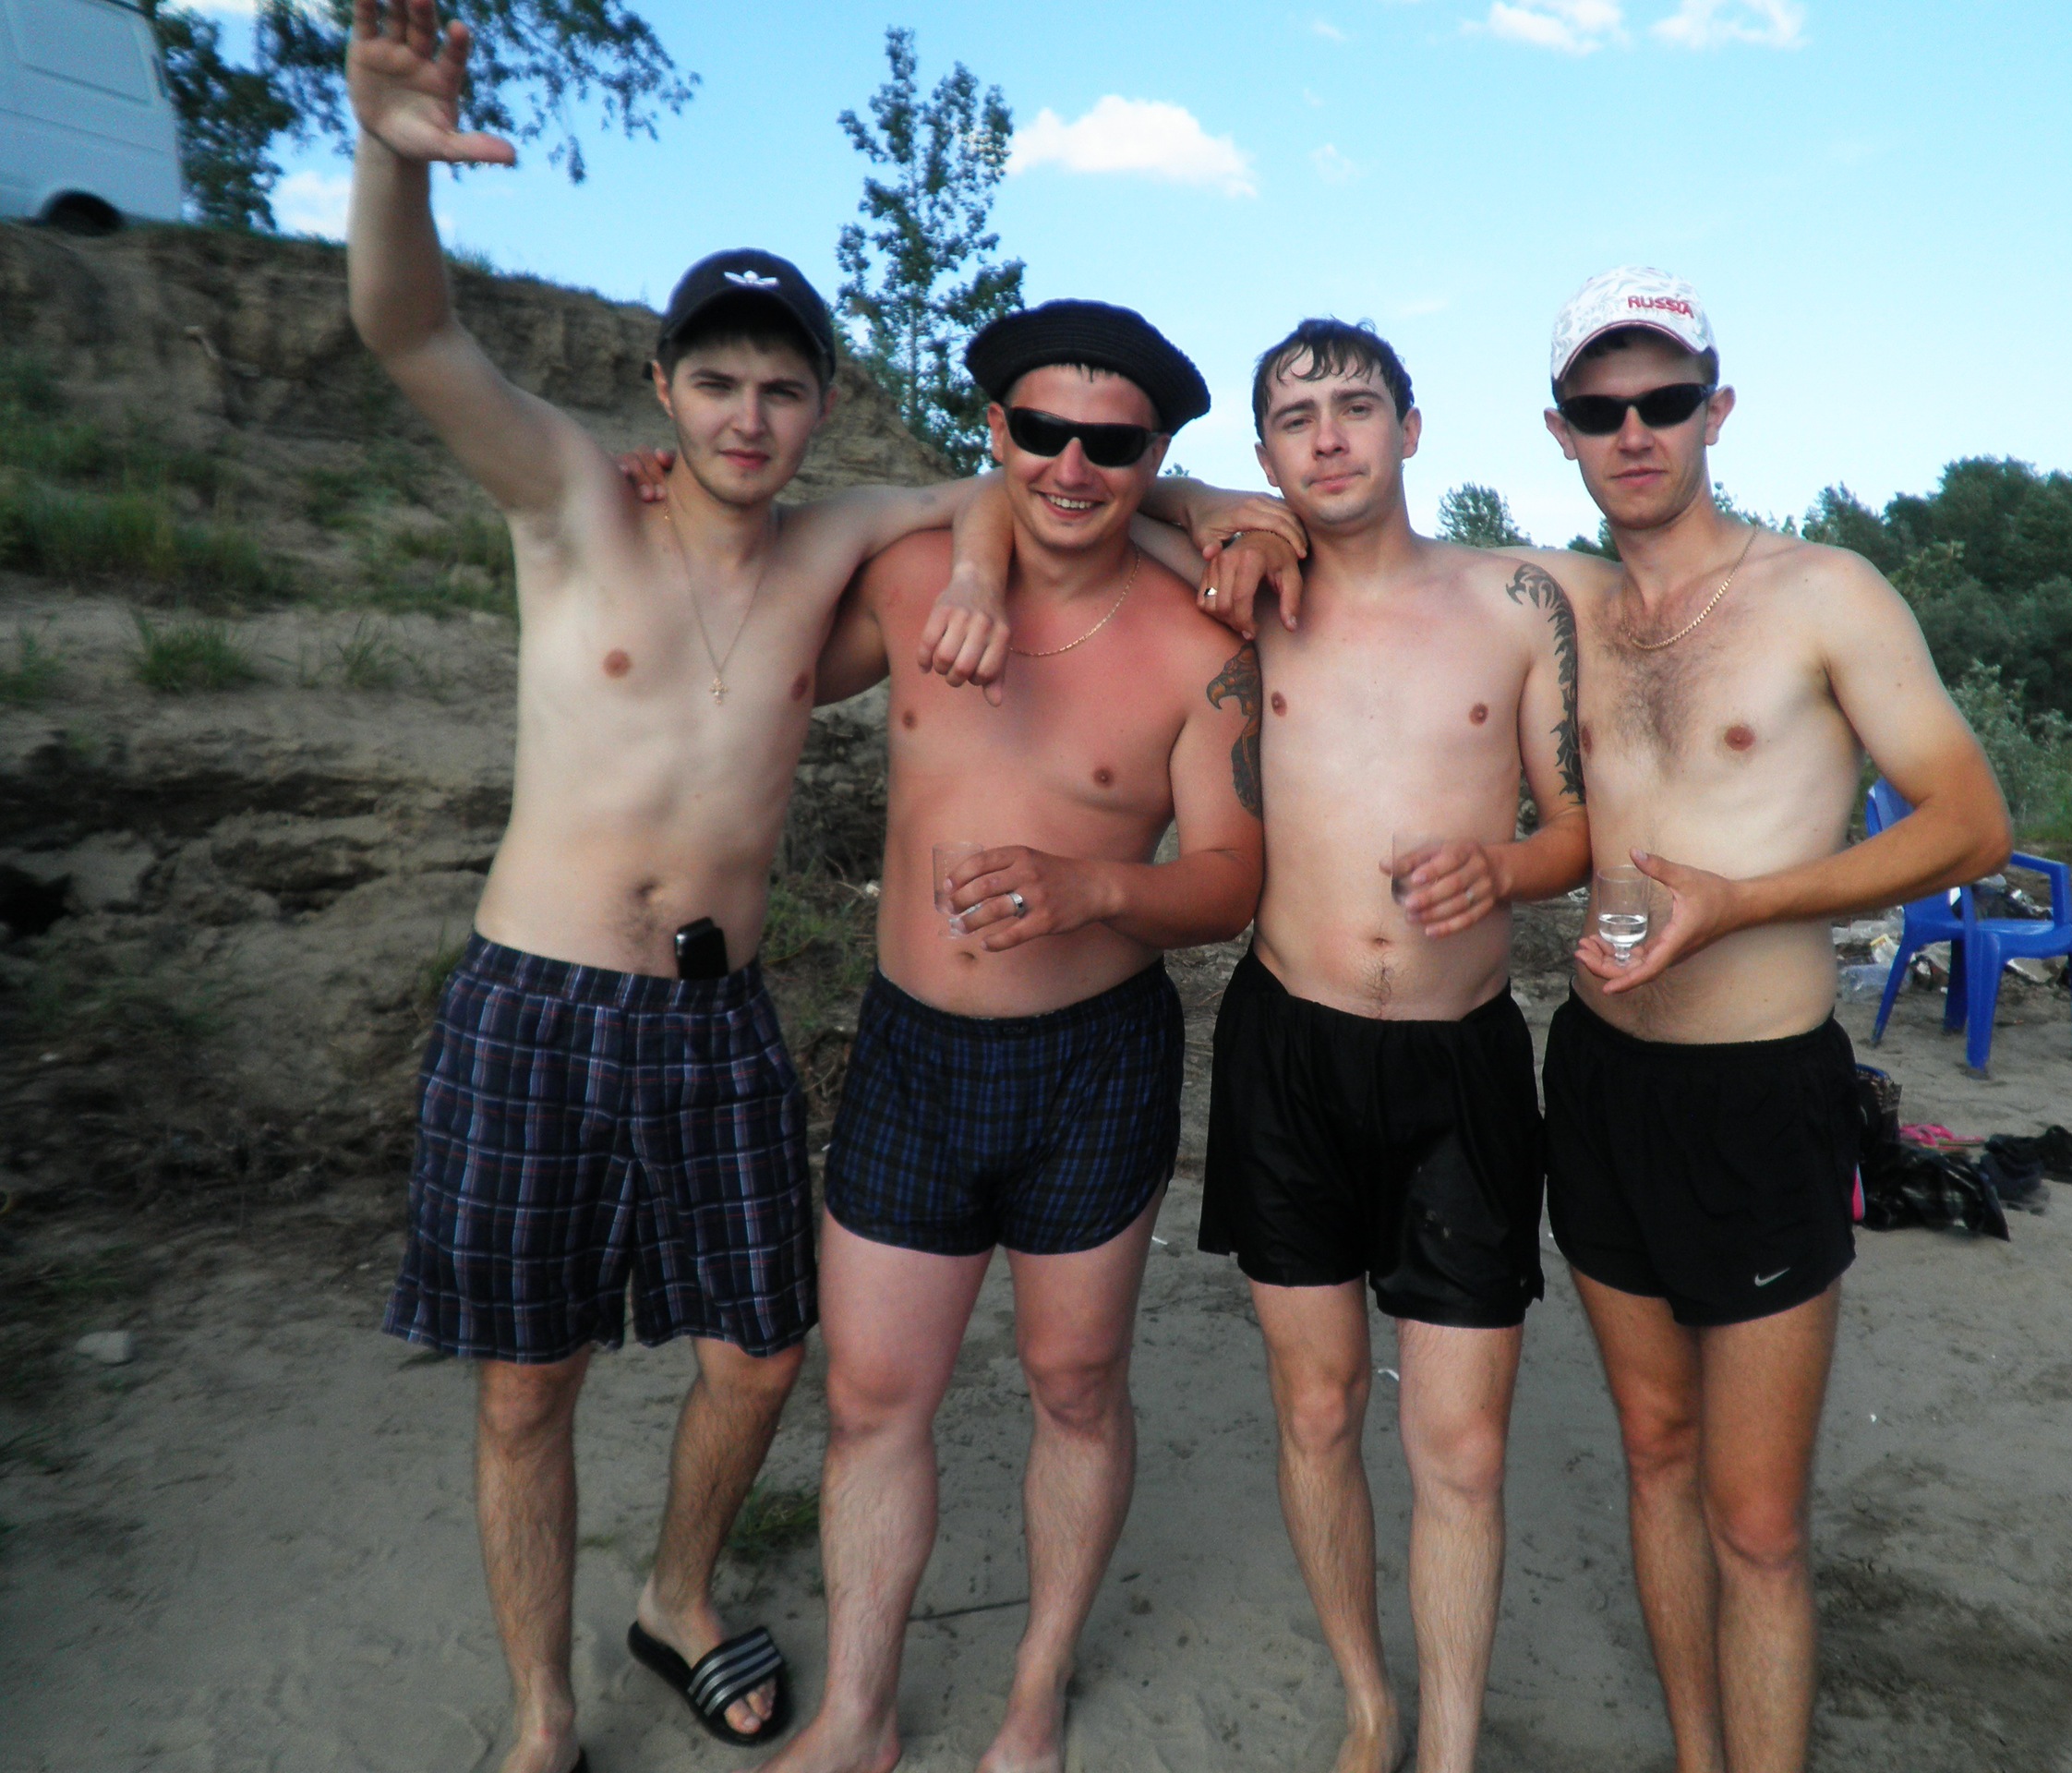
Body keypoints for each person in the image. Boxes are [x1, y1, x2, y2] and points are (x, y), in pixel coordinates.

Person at [343, 6, 1015, 1768]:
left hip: (715, 1016)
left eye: (783, 386)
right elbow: (409, 331)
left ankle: (678, 1596)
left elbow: (1006, 484)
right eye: (717, 381)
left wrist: (994, 560)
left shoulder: (837, 538)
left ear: (821, 405)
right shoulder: (573, 500)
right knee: (528, 1383)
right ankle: (542, 1714)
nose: (748, 414)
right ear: (662, 390)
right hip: (536, 1003)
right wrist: (391, 163)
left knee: (761, 1353)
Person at [753, 300, 1265, 1773]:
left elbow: (1231, 880)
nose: (1070, 465)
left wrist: (1094, 887)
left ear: (1156, 458)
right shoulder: (918, 580)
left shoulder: (1198, 643)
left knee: (1075, 1385)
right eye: (1040, 430)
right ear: (995, 429)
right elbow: (747, 635)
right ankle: (857, 1715)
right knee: (872, 1396)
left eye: (1112, 444)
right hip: (914, 1053)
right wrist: (670, 489)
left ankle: (1034, 1698)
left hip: (1094, 1061)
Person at [1520, 266, 2012, 1773]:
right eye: (1602, 409)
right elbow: (1354, 537)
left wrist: (1742, 903)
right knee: (1654, 1453)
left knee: (1756, 1520)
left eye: (1665, 401)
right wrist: (1215, 511)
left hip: (1759, 1087)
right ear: (1561, 431)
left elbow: (1972, 822)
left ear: (1716, 408)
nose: (1636, 432)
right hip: (1600, 1080)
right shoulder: (1566, 604)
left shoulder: (1825, 593)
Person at [1156, 319, 1591, 1773]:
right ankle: (1368, 1704)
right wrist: (1212, 508)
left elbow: (1580, 827)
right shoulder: (1243, 601)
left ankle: (1450, 1745)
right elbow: (1101, 488)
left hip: (1463, 1061)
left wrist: (1508, 869)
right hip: (1290, 1051)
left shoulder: (1515, 601)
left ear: (1412, 428)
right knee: (1320, 1403)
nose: (1329, 435)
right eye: (1296, 418)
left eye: (1357, 407)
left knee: (1461, 1446)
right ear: (1266, 454)